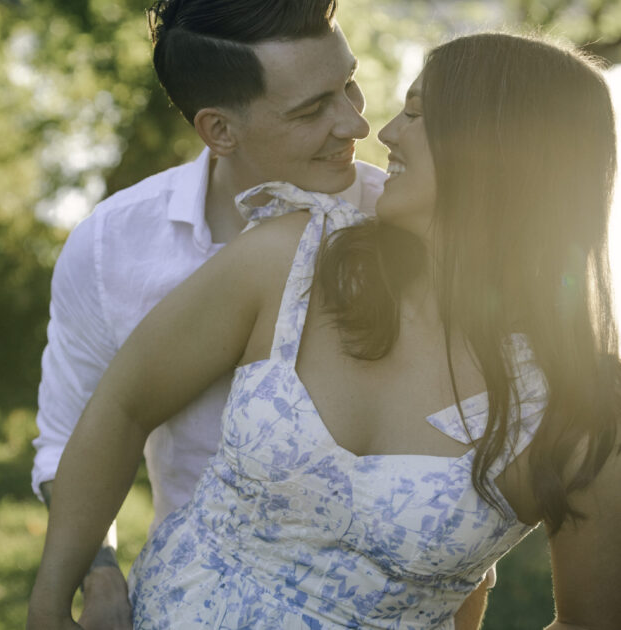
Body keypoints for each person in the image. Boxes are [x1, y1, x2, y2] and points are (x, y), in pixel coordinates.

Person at [30, 29, 620, 630]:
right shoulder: (297, 257)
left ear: (496, 153)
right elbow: (122, 403)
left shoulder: (579, 406)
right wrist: (51, 602)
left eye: (415, 114)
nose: (382, 132)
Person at [30, 0, 429, 628]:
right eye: (311, 109)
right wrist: (98, 573)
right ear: (219, 130)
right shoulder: (112, 247)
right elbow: (68, 439)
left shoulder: (407, 225)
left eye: (348, 83)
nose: (356, 123)